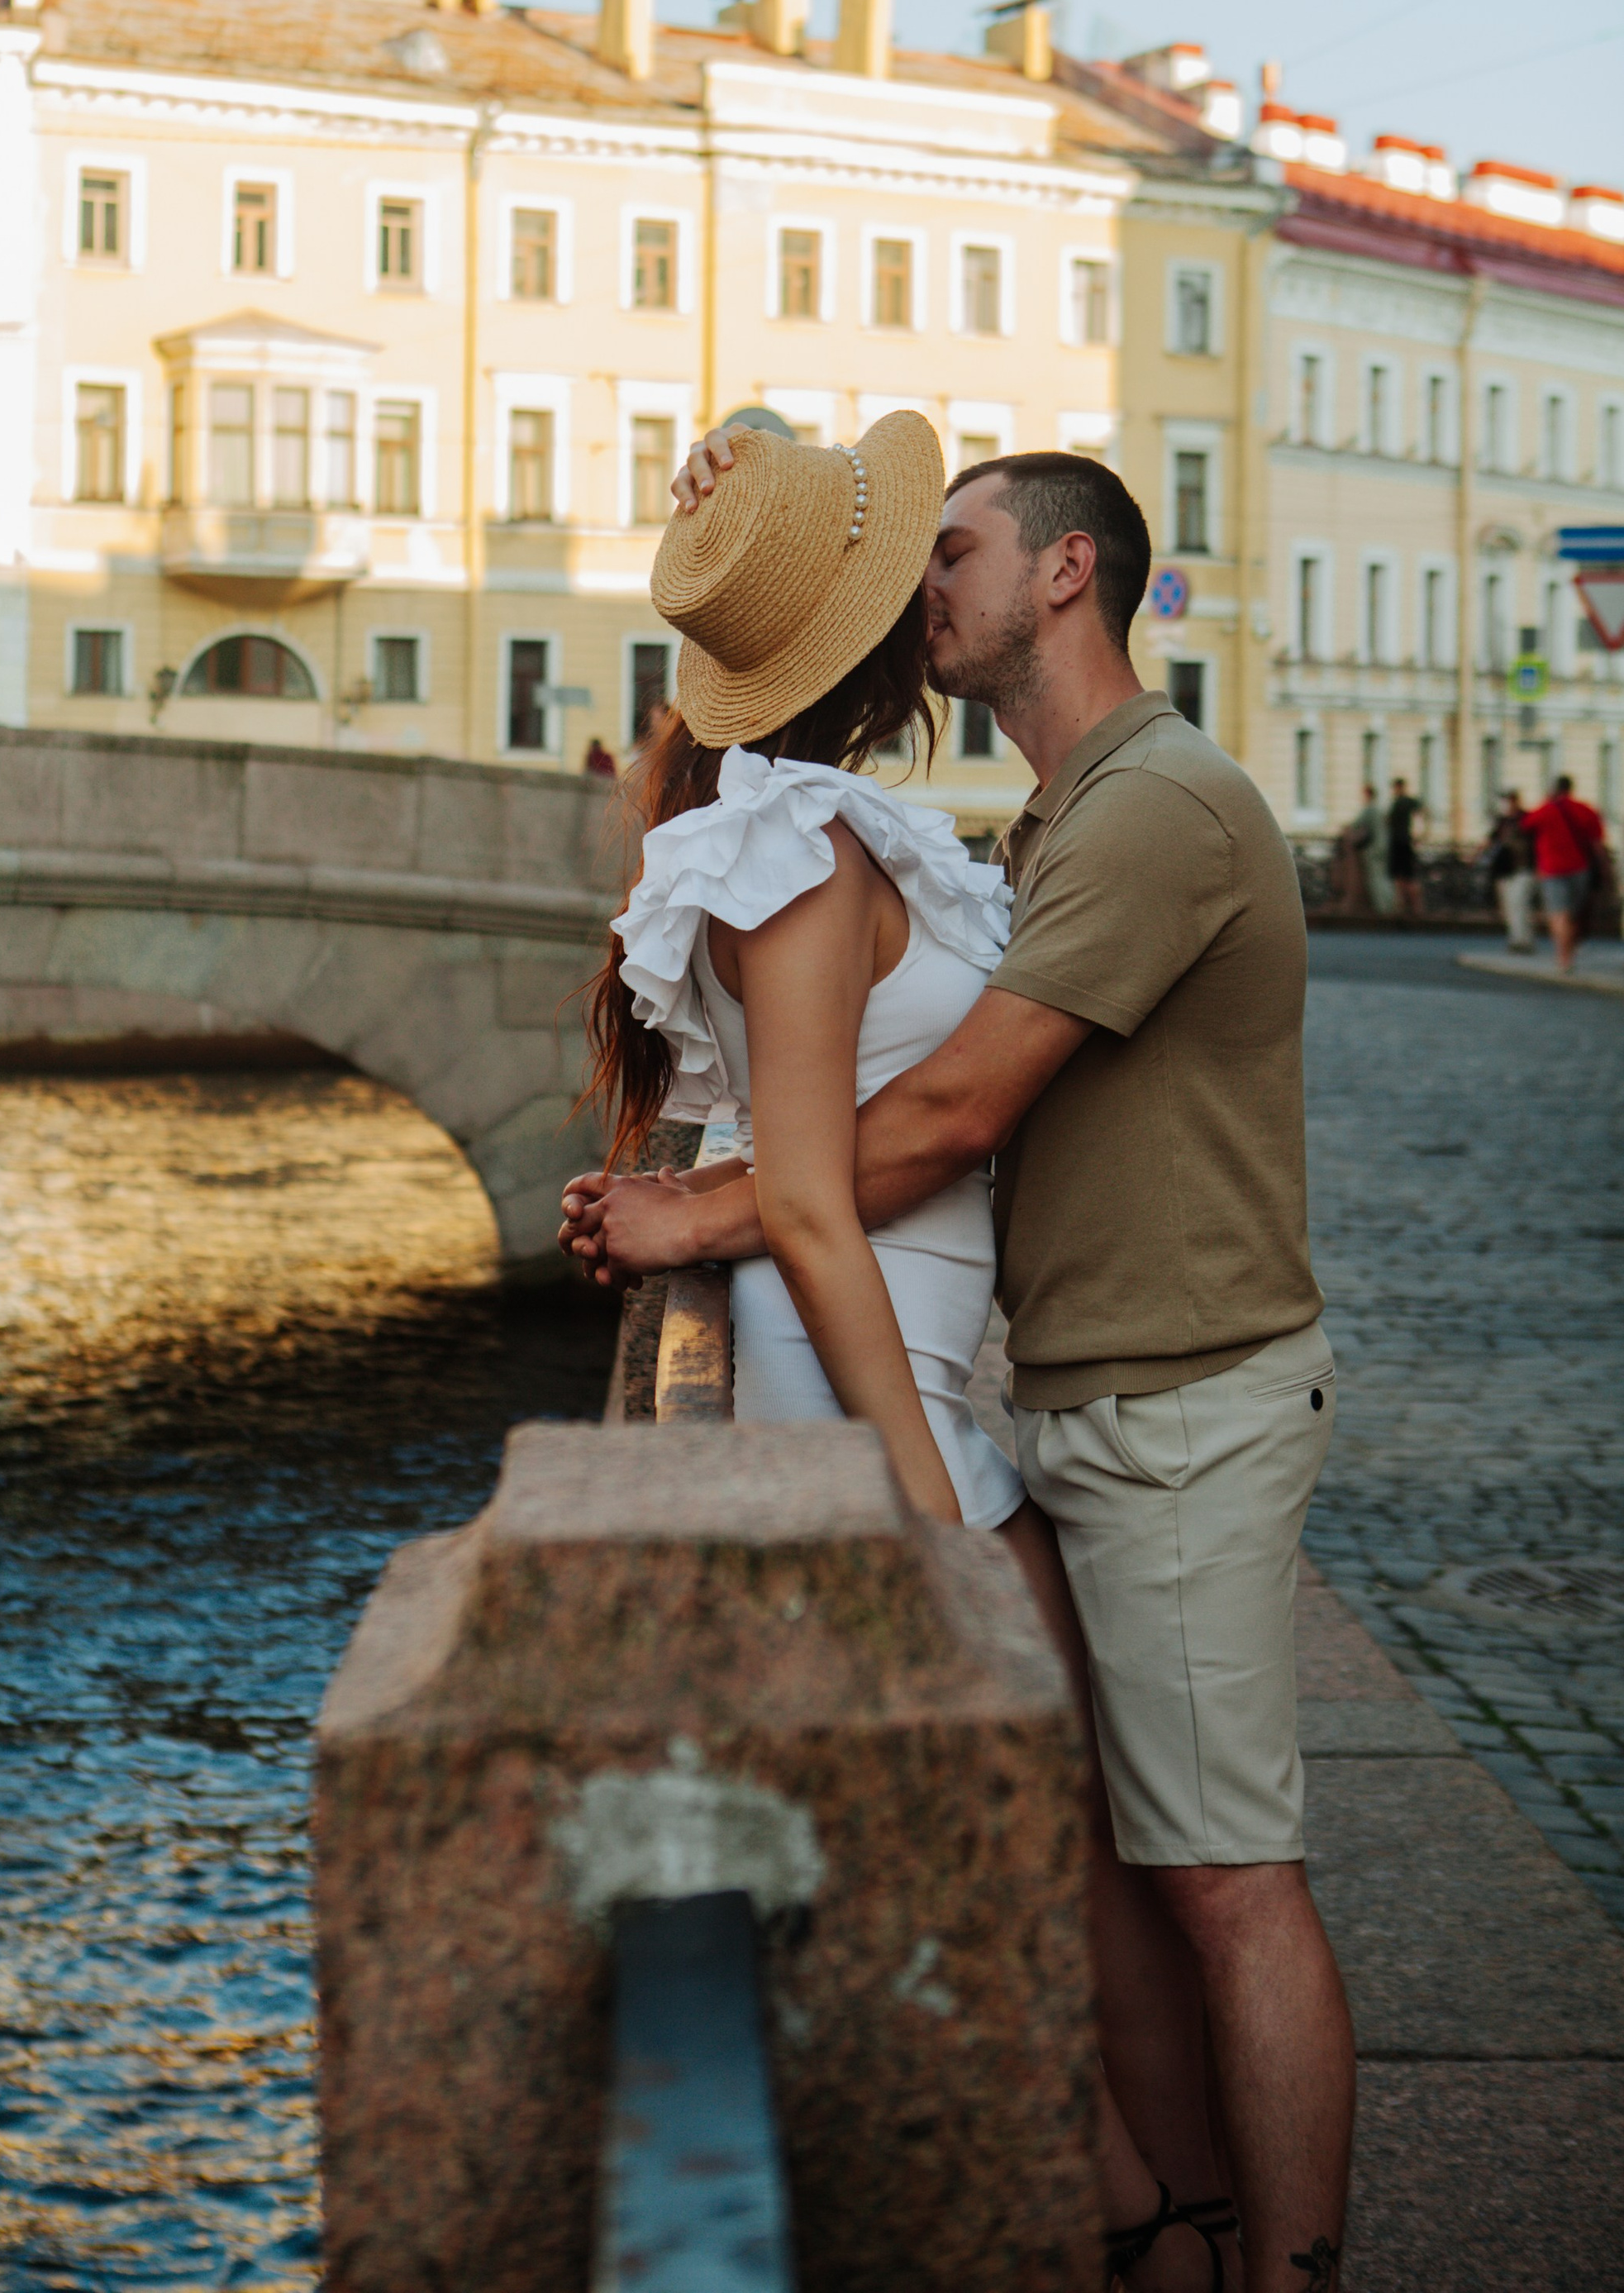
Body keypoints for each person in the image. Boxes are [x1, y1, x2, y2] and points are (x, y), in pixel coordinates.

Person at [564, 438, 1350, 2293]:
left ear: (1061, 575)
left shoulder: (1120, 810)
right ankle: (1155, 2219)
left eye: (950, 548)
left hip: (1129, 1401)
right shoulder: (935, 826)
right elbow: (861, 1158)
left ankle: (1213, 2239)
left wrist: (704, 1210)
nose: (922, 579)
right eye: (890, 563)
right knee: (1053, 1850)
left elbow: (943, 1113)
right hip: (948, 1399)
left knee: (1180, 1874)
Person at [1522, 772, 1611, 978]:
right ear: (1571, 789)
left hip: (1552, 869)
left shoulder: (1545, 810)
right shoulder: (1585, 810)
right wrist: (1605, 869)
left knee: (1558, 915)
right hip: (1580, 868)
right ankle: (1569, 953)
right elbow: (1597, 844)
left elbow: (1525, 825)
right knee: (1573, 914)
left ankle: (1564, 958)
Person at [1484, 790, 1535, 953]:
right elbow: (1490, 840)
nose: (1507, 805)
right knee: (1509, 906)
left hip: (1524, 868)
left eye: (1509, 801)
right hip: (1504, 870)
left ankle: (1523, 940)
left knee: (1519, 903)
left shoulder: (1527, 819)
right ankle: (1516, 938)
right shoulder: (1503, 821)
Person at [1339, 784, 1393, 919]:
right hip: (1384, 846)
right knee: (1384, 876)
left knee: (1375, 878)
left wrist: (1345, 829)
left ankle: (1382, 908)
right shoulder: (1378, 809)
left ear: (1367, 795)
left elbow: (1356, 824)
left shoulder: (1369, 810)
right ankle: (1390, 904)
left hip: (1374, 848)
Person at [1383, 776, 1424, 923]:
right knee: (1407, 877)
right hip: (1404, 842)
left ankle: (1407, 908)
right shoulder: (1408, 801)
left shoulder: (1400, 802)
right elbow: (1422, 813)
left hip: (1399, 843)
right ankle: (1412, 908)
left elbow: (1388, 821)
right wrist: (1420, 833)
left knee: (1403, 877)